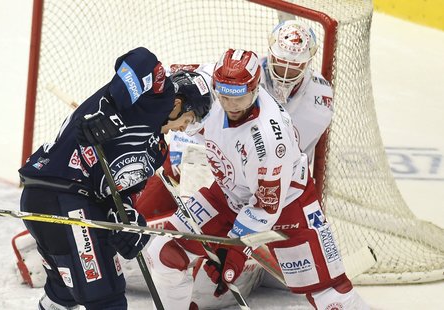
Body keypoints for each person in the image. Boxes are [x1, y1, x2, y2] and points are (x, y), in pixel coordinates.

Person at [145, 48, 368, 310]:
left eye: (239, 98)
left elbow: (266, 206)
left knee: (331, 295)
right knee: (163, 252)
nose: (231, 106)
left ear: (255, 89)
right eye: (225, 96)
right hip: (229, 193)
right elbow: (163, 85)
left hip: (287, 204)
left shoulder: (269, 140)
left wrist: (237, 247)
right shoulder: (204, 84)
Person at [18, 47, 213, 310]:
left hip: (64, 204)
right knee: (107, 299)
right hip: (64, 195)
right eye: (188, 119)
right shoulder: (157, 96)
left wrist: (129, 222)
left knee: (62, 293)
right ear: (178, 105)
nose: (184, 129)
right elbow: (141, 60)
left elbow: (122, 195)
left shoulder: (157, 150)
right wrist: (109, 108)